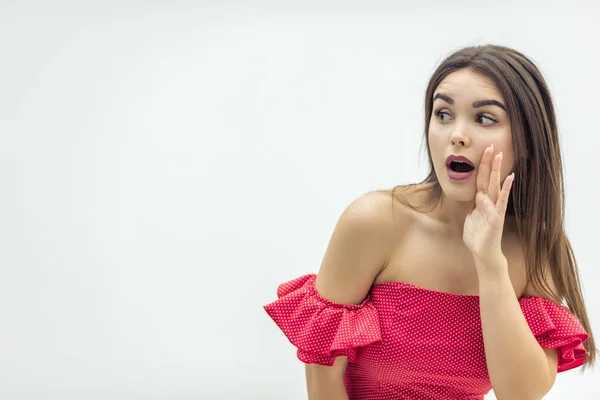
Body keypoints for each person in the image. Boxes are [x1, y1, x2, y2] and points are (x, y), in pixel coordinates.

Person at [263, 44, 596, 400]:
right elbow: (322, 377)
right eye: (443, 114)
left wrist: (490, 265)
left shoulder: (536, 246)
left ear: (526, 141)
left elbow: (520, 393)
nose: (457, 134)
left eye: (484, 118)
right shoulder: (375, 221)